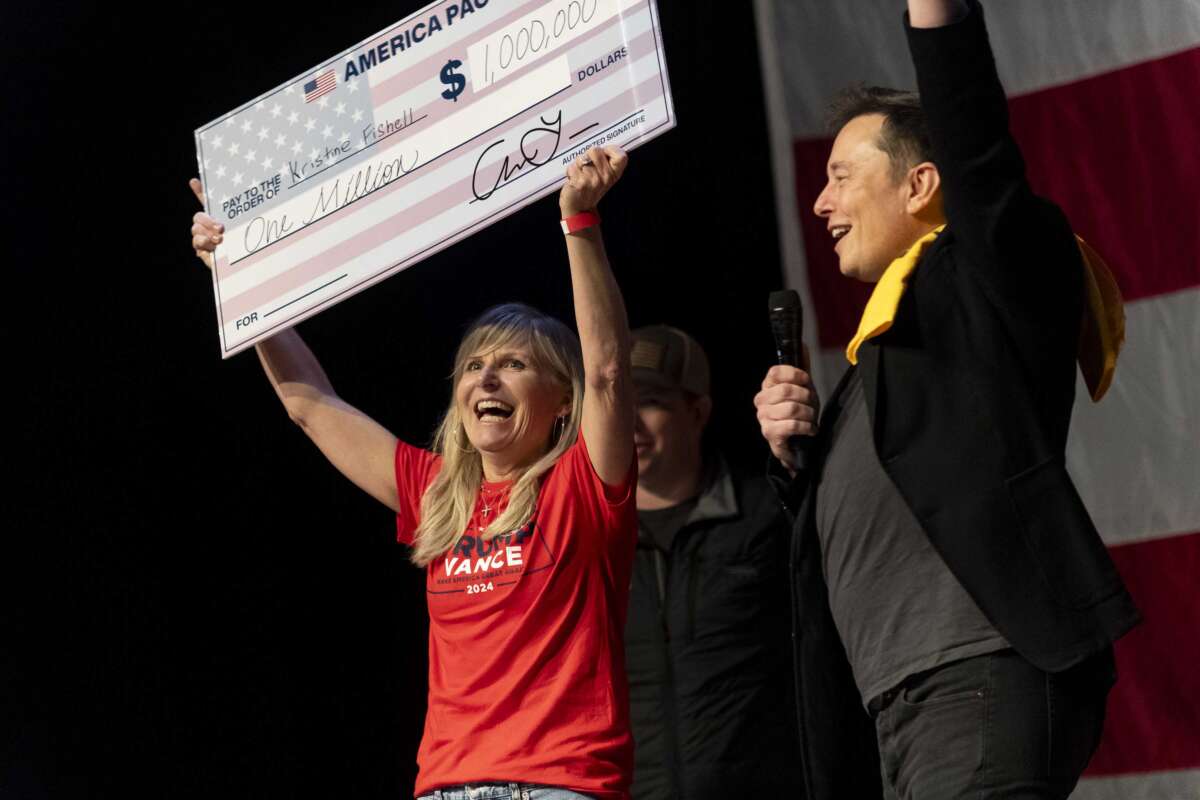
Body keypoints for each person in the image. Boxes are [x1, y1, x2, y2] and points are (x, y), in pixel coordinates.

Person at [752, 2, 1141, 799]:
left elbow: (975, 139)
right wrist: (798, 464)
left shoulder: (990, 279)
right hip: (900, 708)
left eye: (840, 177)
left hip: (978, 672)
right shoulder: (884, 358)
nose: (820, 205)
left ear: (923, 183)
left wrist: (937, 16)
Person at [189, 146, 640, 800]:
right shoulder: (437, 493)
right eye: (474, 365)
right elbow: (309, 404)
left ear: (561, 399)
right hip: (447, 788)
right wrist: (239, 281)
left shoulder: (582, 486)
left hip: (561, 785)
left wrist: (580, 222)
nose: (487, 375)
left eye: (514, 364)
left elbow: (606, 372)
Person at [622, 325, 802, 799]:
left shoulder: (769, 515)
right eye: (616, 403)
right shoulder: (587, 542)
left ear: (697, 411)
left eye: (650, 401)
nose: (629, 422)